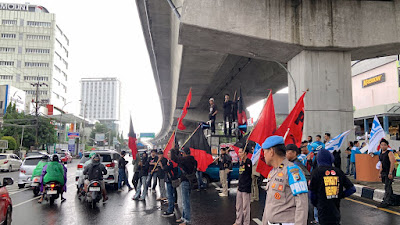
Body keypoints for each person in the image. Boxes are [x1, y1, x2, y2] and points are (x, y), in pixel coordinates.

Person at [261, 136, 308, 225]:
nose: (264, 155)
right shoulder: (272, 172)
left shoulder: (293, 171)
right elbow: (269, 204)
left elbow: (302, 203)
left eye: (264, 151)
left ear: (271, 151)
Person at [309, 149, 356, 225]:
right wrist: (340, 195)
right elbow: (352, 189)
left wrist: (316, 203)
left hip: (322, 210)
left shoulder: (316, 172)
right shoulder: (338, 171)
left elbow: (312, 193)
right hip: (335, 210)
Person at [171, 147, 197, 225]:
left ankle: (187, 220)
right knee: (185, 200)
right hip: (190, 181)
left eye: (182, 153)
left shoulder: (185, 160)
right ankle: (183, 217)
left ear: (184, 153)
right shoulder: (194, 160)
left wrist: (173, 150)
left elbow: (175, 158)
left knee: (185, 201)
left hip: (185, 181)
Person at [234, 144, 252, 225]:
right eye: (239, 152)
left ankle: (246, 223)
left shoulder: (248, 162)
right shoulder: (241, 162)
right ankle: (238, 221)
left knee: (245, 207)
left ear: (245, 153)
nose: (239, 153)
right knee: (238, 206)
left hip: (246, 188)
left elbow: (248, 172)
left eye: (241, 152)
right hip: (240, 187)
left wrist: (244, 161)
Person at [378, 139, 396, 208]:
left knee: (387, 187)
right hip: (384, 172)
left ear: (387, 146)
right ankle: (391, 199)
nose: (383, 146)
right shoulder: (381, 153)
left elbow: (392, 163)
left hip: (389, 171)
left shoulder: (389, 153)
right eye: (382, 145)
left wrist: (390, 172)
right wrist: (380, 172)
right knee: (388, 186)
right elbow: (381, 164)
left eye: (385, 145)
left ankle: (386, 201)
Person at [162, 149, 179, 217]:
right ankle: (171, 209)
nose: (167, 154)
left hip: (170, 180)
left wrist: (166, 164)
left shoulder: (171, 163)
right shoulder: (173, 161)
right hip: (172, 179)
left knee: (170, 196)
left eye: (169, 153)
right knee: (171, 195)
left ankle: (170, 210)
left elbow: (165, 168)